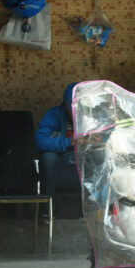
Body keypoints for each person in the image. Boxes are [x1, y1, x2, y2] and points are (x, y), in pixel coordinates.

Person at [34, 82, 81, 213]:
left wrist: (97, 141)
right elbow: (39, 141)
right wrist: (66, 142)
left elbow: (108, 136)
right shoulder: (54, 115)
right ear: (65, 105)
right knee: (48, 157)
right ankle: (48, 207)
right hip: (61, 160)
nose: (75, 111)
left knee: (102, 155)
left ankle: (98, 209)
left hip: (83, 160)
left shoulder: (90, 116)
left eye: (78, 106)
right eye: (72, 106)